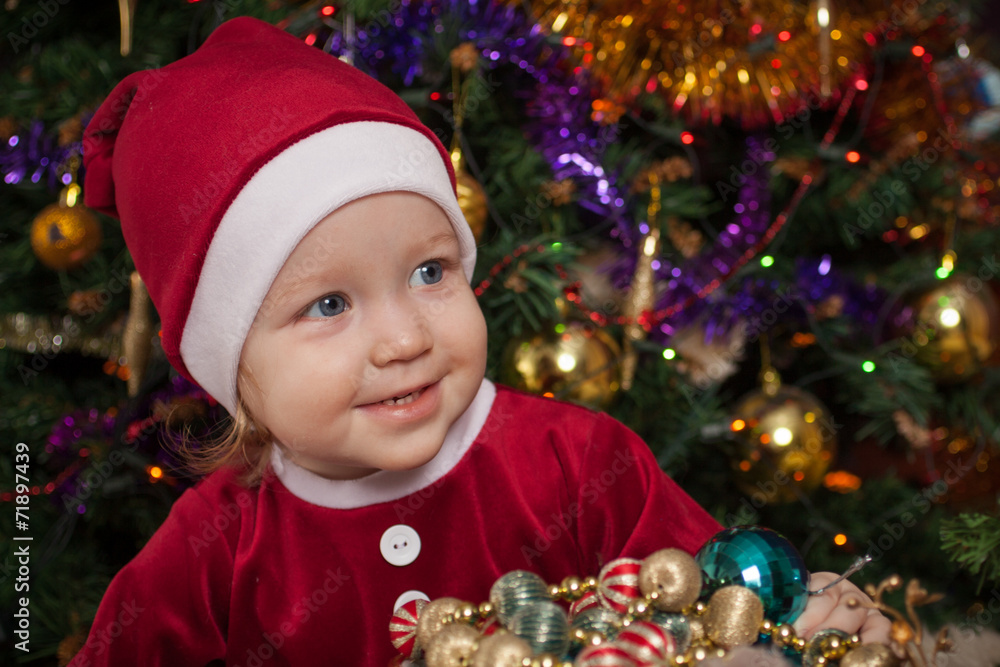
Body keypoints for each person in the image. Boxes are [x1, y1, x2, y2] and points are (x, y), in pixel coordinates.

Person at [70, 16, 889, 666]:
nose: (403, 339)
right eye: (327, 302)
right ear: (230, 366)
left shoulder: (578, 463)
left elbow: (729, 608)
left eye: (430, 272)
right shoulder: (219, 542)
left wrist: (809, 616)